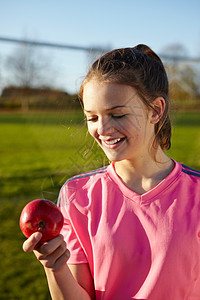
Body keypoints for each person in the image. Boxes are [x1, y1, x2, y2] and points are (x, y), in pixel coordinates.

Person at [23, 44, 200, 300]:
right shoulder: (77, 196)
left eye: (117, 114)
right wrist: (54, 266)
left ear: (156, 110)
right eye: (92, 118)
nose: (103, 129)